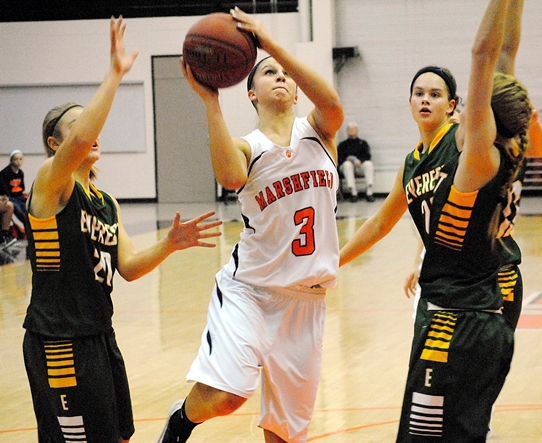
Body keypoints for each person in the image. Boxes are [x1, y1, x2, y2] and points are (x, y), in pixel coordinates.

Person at [22, 17, 223, 443]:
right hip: (59, 339)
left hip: (99, 335)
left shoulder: (106, 202)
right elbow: (80, 142)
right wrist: (115, 74)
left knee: (119, 436)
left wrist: (169, 244)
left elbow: (128, 267)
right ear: (56, 144)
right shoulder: (50, 183)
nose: (91, 134)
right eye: (79, 127)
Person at [341, 0, 532, 440]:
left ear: (458, 108)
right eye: (419, 92)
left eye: (442, 96)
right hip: (466, 282)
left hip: (473, 293)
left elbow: (486, 55)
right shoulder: (491, 148)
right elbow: (504, 56)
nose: (429, 100)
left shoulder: (472, 152)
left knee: (432, 426)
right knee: (461, 418)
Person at [157, 6, 343, 443]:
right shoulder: (246, 145)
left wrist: (272, 44)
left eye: (286, 73)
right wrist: (210, 101)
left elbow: (332, 102)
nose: (280, 76)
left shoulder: (320, 131)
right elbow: (229, 177)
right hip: (252, 291)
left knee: (284, 434)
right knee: (227, 395)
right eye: (268, 73)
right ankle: (181, 419)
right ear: (251, 92)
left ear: (297, 91)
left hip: (307, 302)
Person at [337, 122, 375, 202]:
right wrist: (346, 159)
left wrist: (360, 161)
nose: (351, 131)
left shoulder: (363, 143)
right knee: (347, 165)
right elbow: (338, 158)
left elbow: (367, 156)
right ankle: (353, 193)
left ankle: (369, 192)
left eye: (353, 129)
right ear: (347, 131)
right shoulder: (342, 145)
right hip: (346, 167)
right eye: (349, 129)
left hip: (359, 166)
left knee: (369, 164)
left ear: (357, 131)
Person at [0, 149, 29, 237]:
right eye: (16, 159)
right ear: (11, 160)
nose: (18, 162)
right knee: (19, 211)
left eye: (20, 159)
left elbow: (22, 187)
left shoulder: (20, 173)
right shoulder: (5, 173)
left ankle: (30, 230)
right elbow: (4, 189)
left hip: (19, 196)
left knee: (29, 206)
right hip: (10, 196)